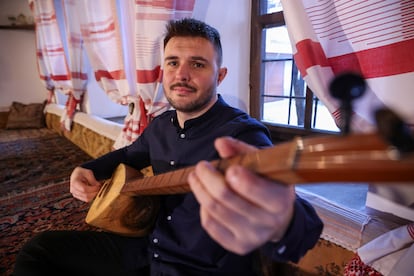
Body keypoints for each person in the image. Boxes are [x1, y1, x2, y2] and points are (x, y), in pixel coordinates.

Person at [13, 18, 323, 275]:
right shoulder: (162, 124)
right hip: (148, 251)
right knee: (38, 251)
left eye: (198, 64)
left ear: (221, 75)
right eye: (172, 62)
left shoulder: (244, 134)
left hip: (201, 268)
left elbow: (289, 218)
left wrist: (283, 219)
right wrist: (86, 169)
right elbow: (129, 154)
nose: (182, 74)